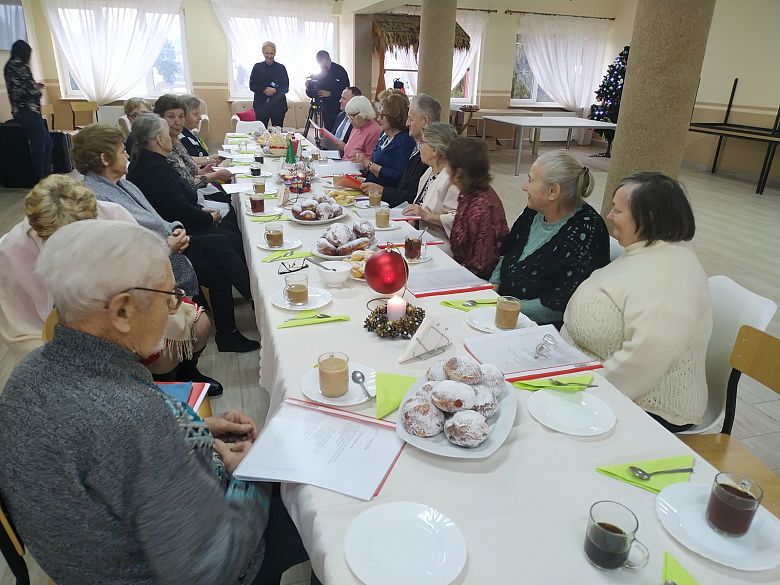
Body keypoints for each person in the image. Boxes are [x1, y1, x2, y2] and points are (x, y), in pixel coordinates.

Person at [0, 220, 319, 585]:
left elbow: (108, 456)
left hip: (99, 555)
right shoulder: (133, 419)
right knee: (323, 512)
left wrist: (198, 428)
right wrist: (251, 475)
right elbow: (211, 568)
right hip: (189, 567)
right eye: (168, 296)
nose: (176, 307)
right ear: (121, 311)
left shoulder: (32, 373)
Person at [0, 177, 219, 395]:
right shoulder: (12, 251)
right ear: (38, 229)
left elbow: (148, 274)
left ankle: (184, 379)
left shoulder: (113, 215)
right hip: (62, 337)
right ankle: (151, 395)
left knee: (198, 325)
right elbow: (20, 328)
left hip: (130, 309)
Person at [561, 172, 712, 432]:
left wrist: (579, 391)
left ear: (648, 218)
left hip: (647, 408)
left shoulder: (670, 272)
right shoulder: (645, 251)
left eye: (617, 211)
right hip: (591, 380)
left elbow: (646, 358)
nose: (609, 216)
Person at [127, 114, 259, 353]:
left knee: (230, 239)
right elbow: (177, 207)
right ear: (158, 139)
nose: (171, 139)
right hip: (174, 235)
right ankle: (255, 301)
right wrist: (206, 216)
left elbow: (180, 200)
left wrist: (203, 212)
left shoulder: (152, 161)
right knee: (221, 242)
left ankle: (239, 320)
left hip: (178, 226)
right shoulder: (153, 168)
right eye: (167, 135)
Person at [491, 150, 610, 326]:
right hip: (502, 310)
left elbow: (558, 305)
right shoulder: (534, 210)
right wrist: (492, 287)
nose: (525, 187)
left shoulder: (585, 232)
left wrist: (502, 307)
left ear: (553, 191)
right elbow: (508, 252)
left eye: (531, 180)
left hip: (541, 329)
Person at [360, 93, 441, 207]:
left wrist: (382, 191)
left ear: (425, 121)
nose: (407, 123)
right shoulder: (417, 144)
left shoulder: (431, 151)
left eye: (411, 119)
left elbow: (417, 197)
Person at [446, 137, 509, 280]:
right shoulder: (468, 194)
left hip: (477, 282)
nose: (446, 170)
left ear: (459, 173)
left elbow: (480, 266)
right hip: (464, 271)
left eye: (448, 166)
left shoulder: (481, 207)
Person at [402, 123, 460, 254]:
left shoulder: (452, 179)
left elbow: (458, 220)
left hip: (442, 243)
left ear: (435, 150)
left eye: (422, 142)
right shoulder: (429, 171)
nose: (419, 146)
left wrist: (426, 216)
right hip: (423, 235)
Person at [3, 39, 53, 181]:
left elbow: (19, 88)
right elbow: (30, 91)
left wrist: (33, 86)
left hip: (20, 111)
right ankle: (41, 178)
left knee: (46, 144)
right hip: (29, 112)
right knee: (41, 146)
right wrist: (37, 89)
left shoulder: (9, 66)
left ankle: (45, 176)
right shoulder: (20, 66)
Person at [354, 92, 416, 189]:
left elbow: (396, 177)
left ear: (393, 117)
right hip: (371, 189)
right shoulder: (385, 136)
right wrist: (365, 180)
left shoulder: (404, 141)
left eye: (382, 116)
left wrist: (367, 163)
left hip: (385, 195)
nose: (378, 119)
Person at [250, 41, 290, 128]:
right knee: (261, 134)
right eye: (267, 53)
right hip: (261, 107)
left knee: (277, 136)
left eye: (271, 53)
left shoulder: (281, 68)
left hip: (278, 107)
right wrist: (264, 90)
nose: (269, 56)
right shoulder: (257, 67)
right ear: (263, 53)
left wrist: (275, 90)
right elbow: (252, 85)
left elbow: (286, 88)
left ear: (275, 53)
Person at [314, 50, 350, 131]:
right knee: (328, 131)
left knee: (337, 131)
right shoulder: (320, 72)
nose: (321, 66)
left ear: (328, 59)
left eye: (322, 63)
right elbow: (314, 91)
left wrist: (330, 93)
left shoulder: (340, 71)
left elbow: (346, 90)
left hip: (338, 108)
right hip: (325, 108)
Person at [342, 95, 381, 162]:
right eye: (348, 116)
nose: (350, 120)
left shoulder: (374, 130)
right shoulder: (357, 126)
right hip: (345, 165)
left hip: (357, 170)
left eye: (353, 115)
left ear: (363, 113)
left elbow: (371, 161)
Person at [180, 94, 217, 163]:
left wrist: (210, 158)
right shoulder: (183, 139)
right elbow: (191, 163)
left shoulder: (190, 132)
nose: (200, 118)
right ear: (182, 116)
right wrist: (208, 160)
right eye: (195, 114)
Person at [324, 85, 361, 153]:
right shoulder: (340, 115)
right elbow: (333, 136)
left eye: (344, 98)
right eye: (341, 97)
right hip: (331, 152)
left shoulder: (358, 120)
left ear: (354, 102)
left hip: (346, 156)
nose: (340, 100)